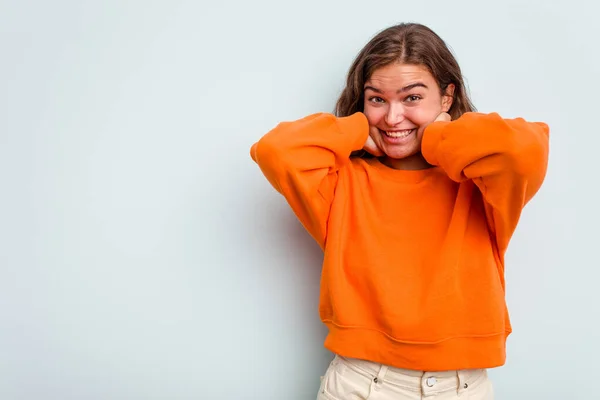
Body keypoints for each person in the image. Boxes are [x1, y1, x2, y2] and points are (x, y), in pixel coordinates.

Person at [250, 22, 549, 400]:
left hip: (460, 388)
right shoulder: (342, 182)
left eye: (411, 98)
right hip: (361, 384)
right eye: (377, 99)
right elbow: (276, 151)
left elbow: (524, 152)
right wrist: (358, 130)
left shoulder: (482, 186)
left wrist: (440, 137)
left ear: (446, 97)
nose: (392, 119)